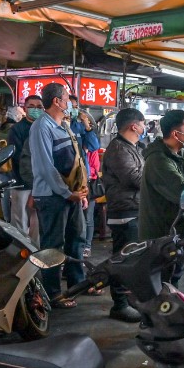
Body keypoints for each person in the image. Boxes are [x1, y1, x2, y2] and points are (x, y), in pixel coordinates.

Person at [29, 83, 88, 307]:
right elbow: (45, 167)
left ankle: (77, 285)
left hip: (70, 195)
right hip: (52, 197)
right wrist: (66, 193)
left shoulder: (64, 125)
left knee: (76, 241)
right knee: (53, 245)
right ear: (57, 101)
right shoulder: (41, 127)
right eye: (66, 99)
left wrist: (79, 191)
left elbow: (76, 159)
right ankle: (52, 293)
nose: (69, 104)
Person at [139, 109, 184, 286]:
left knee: (173, 278)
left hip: (176, 233)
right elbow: (183, 194)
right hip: (160, 235)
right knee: (160, 283)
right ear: (176, 133)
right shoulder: (158, 160)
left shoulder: (181, 156)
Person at [100, 107, 146, 323]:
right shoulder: (119, 149)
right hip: (124, 210)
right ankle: (119, 304)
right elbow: (134, 179)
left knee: (132, 258)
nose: (145, 128)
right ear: (133, 125)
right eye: (143, 123)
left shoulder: (132, 147)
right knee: (122, 258)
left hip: (134, 208)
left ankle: (128, 300)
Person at [7, 95, 43, 247]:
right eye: (31, 106)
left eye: (39, 107)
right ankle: (19, 252)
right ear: (25, 108)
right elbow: (17, 155)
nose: (35, 109)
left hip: (41, 183)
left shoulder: (44, 127)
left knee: (38, 220)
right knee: (20, 219)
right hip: (21, 182)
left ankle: (36, 252)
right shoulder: (17, 129)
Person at [68, 96, 101, 259]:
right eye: (70, 106)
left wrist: (87, 126)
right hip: (66, 179)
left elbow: (95, 146)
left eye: (75, 106)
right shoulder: (60, 126)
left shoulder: (80, 126)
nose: (73, 109)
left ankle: (86, 246)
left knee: (87, 216)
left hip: (84, 178)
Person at [0, 106, 25, 223]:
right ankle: (15, 222)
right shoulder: (17, 129)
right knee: (18, 197)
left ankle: (6, 220)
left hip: (2, 166)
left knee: (4, 195)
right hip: (15, 167)